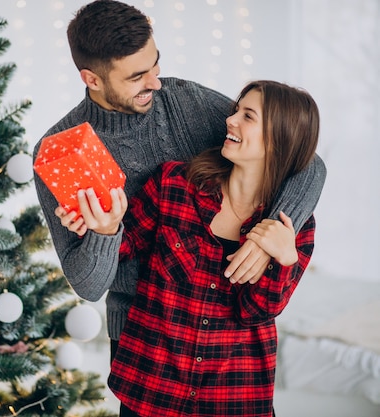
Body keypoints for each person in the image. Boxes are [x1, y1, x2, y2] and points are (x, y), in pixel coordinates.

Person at [32, 1, 326, 414]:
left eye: (155, 64)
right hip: (146, 341)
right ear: (92, 79)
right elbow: (90, 285)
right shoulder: (60, 152)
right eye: (137, 76)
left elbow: (302, 157)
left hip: (230, 360)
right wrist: (102, 232)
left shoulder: (185, 101)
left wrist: (269, 237)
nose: (156, 82)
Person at [81, 80, 320, 416]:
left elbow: (254, 312)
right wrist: (101, 225)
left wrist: (283, 260)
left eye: (247, 116)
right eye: (236, 110)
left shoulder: (296, 227)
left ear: (279, 140)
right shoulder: (173, 184)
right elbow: (119, 252)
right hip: (151, 392)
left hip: (234, 396)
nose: (230, 120)